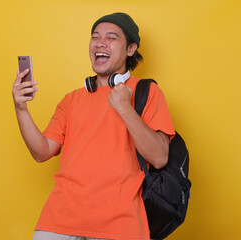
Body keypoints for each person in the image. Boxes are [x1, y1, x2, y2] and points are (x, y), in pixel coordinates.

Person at [12, 12, 175, 240]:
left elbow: (159, 157)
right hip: (59, 221)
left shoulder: (148, 92)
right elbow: (41, 152)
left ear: (130, 49)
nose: (100, 42)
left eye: (111, 38)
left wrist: (125, 108)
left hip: (120, 226)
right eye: (95, 36)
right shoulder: (71, 100)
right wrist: (21, 108)